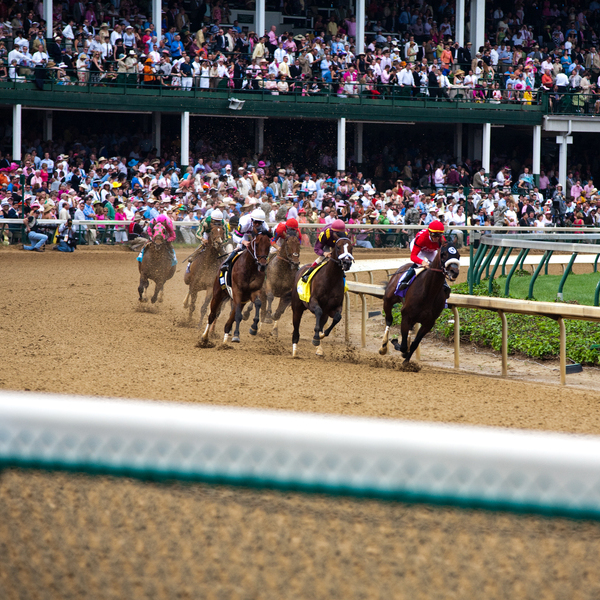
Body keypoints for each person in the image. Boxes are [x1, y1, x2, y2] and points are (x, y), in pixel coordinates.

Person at [397, 219, 446, 291]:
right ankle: (405, 280)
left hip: (430, 250)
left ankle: (444, 283)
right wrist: (423, 262)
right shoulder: (422, 238)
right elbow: (413, 256)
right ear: (429, 233)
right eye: (434, 235)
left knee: (439, 264)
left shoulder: (442, 240)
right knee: (420, 265)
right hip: (419, 248)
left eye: (439, 235)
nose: (437, 238)